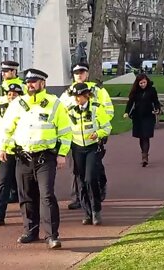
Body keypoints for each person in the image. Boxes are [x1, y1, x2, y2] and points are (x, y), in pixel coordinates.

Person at [0, 68, 72, 249]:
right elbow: (5, 128)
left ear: (42, 83)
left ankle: (52, 235)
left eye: (34, 81)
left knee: (46, 195)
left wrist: (62, 154)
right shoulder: (18, 103)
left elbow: (66, 131)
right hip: (23, 157)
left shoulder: (54, 103)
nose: (30, 84)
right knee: (26, 196)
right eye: (28, 82)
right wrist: (1, 147)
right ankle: (30, 230)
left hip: (46, 157)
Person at [60, 63, 114, 209]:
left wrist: (101, 129)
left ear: (87, 74)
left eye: (82, 72)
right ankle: (78, 197)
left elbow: (108, 109)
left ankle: (100, 185)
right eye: (76, 73)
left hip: (95, 134)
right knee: (75, 169)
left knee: (95, 166)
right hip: (74, 137)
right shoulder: (67, 93)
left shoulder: (98, 90)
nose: (79, 75)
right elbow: (60, 112)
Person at [67, 83, 112, 225]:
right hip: (77, 148)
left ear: (86, 95)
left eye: (78, 96)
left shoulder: (96, 108)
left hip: (92, 148)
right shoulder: (70, 110)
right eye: (74, 96)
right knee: (80, 180)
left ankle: (96, 210)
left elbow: (107, 127)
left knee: (90, 178)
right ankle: (87, 213)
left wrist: (98, 133)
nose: (76, 99)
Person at [0, 61, 26, 203]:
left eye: (7, 71)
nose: (3, 73)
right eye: (2, 71)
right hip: (4, 131)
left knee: (20, 166)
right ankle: (12, 192)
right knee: (6, 165)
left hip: (20, 132)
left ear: (14, 71)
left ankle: (20, 193)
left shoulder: (23, 86)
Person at [0, 83, 25, 226]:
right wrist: (0, 149)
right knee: (3, 183)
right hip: (8, 151)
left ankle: (30, 216)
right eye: (9, 94)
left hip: (23, 152)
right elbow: (1, 131)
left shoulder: (27, 110)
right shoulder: (3, 111)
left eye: (15, 94)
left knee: (25, 185)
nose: (11, 97)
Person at [123, 74, 160, 167]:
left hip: (148, 115)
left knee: (146, 136)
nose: (143, 84)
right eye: (141, 83)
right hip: (137, 116)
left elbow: (156, 101)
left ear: (147, 81)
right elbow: (130, 102)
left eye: (144, 82)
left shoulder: (152, 90)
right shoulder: (135, 92)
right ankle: (143, 152)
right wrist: (127, 112)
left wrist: (157, 108)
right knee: (141, 136)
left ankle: (145, 156)